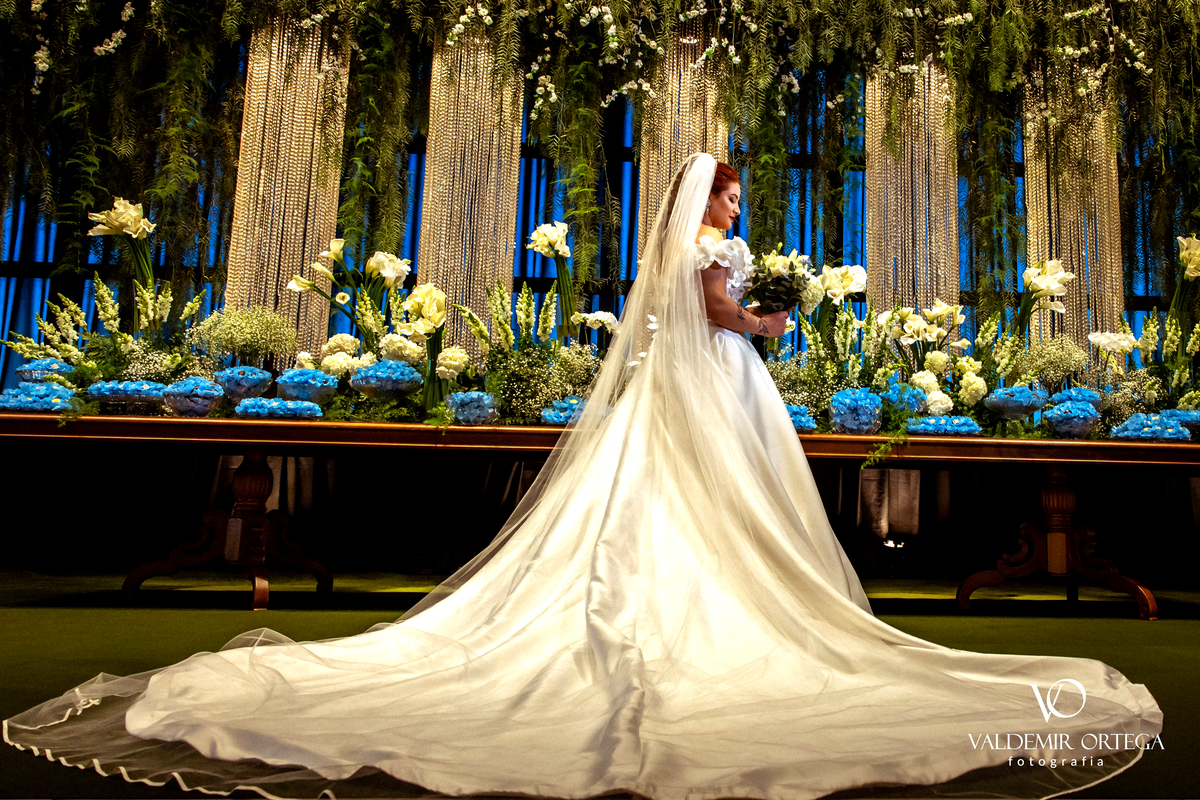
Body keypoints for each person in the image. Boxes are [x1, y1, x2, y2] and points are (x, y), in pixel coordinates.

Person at [5, 153, 1162, 800]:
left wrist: (758, 313)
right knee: (701, 512)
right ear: (708, 200)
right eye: (730, 195)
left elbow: (698, 315)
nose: (737, 207)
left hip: (702, 389)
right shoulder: (707, 251)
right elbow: (720, 314)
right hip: (719, 381)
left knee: (699, 504)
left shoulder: (692, 245)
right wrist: (771, 317)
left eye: (735, 199)